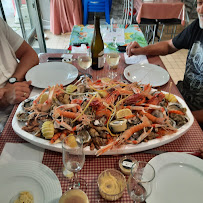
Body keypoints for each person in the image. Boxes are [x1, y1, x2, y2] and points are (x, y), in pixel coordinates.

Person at [126, 1, 203, 127]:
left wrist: (183, 115)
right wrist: (141, 50)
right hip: (180, 98)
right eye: (199, 3)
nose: (200, 10)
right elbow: (169, 45)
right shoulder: (198, 27)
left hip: (194, 116)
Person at [0, 17, 39, 132]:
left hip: (24, 91)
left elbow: (30, 55)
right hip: (3, 118)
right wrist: (4, 98)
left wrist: (13, 81)